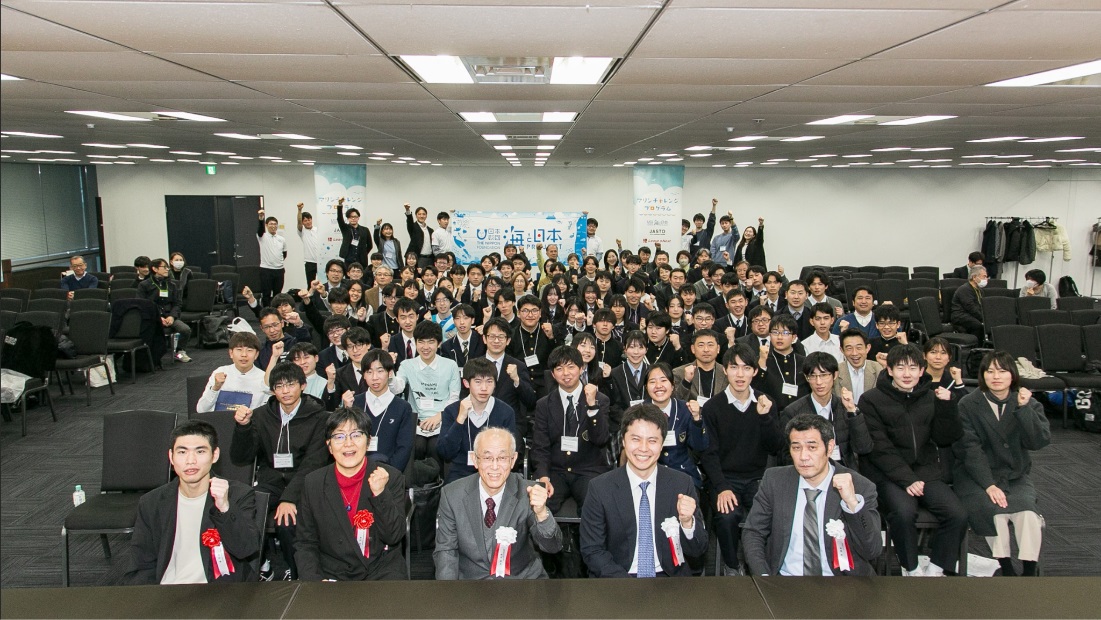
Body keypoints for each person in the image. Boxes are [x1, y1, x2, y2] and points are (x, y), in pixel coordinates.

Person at [859, 344, 967, 576]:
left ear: (921, 371)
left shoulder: (930, 396)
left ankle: (936, 568)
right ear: (889, 370)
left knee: (957, 514)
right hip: (889, 475)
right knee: (904, 513)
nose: (906, 374)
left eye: (912, 368)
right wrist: (907, 479)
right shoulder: (870, 400)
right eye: (900, 368)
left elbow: (945, 438)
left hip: (925, 472)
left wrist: (947, 406)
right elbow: (879, 448)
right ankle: (911, 568)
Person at [741, 414, 881, 576]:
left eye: (812, 447)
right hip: (785, 580)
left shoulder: (860, 486)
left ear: (829, 447)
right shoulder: (775, 481)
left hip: (842, 582)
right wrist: (764, 577)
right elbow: (753, 532)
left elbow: (872, 550)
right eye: (796, 448)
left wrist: (852, 503)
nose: (803, 456)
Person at [580, 403, 708, 577]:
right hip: (618, 579)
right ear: (623, 441)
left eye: (652, 441)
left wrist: (688, 523)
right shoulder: (600, 488)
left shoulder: (681, 484)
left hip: (669, 580)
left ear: (662, 444)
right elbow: (592, 550)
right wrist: (629, 586)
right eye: (636, 439)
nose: (643, 448)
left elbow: (698, 550)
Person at [126, 420, 260, 584]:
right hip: (168, 589)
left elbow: (246, 549)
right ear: (171, 457)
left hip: (218, 590)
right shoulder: (152, 502)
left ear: (215, 455)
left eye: (200, 451)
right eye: (182, 452)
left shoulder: (238, 494)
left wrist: (225, 508)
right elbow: (141, 563)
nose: (191, 460)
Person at [953, 350, 1050, 577]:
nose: (996, 376)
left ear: (1012, 375)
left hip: (1014, 475)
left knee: (1027, 512)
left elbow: (1038, 441)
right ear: (982, 375)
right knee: (993, 511)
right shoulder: (968, 404)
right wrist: (989, 485)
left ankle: (1029, 569)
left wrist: (1024, 409)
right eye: (990, 371)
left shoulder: (1027, 402)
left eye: (1002, 371)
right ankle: (1005, 567)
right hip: (976, 477)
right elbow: (970, 450)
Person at [232, 362, 330, 581]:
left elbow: (314, 463)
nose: (285, 391)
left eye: (291, 384)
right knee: (244, 509)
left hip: (304, 483)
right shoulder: (261, 415)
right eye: (279, 386)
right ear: (272, 390)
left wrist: (289, 498)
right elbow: (241, 457)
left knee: (286, 522)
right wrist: (243, 428)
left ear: (303, 385)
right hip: (271, 480)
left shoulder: (319, 418)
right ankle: (260, 565)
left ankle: (295, 572)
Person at [295, 407, 407, 581]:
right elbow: (305, 542)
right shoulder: (313, 482)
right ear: (329, 446)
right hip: (333, 573)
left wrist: (380, 494)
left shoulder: (390, 477)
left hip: (379, 570)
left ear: (368, 441)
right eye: (339, 436)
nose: (348, 443)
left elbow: (393, 537)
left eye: (356, 435)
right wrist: (315, 581)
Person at [435, 427, 563, 579]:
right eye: (487, 458)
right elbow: (446, 552)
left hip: (521, 581)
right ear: (475, 460)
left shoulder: (528, 492)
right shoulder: (452, 495)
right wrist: (448, 591)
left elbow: (552, 547)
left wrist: (542, 513)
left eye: (502, 458)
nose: (495, 466)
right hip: (472, 584)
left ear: (513, 460)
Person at [699, 344, 783, 575]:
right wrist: (722, 487)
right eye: (734, 367)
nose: (740, 374)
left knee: (772, 515)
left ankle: (763, 567)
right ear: (725, 370)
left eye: (746, 368)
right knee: (728, 517)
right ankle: (732, 566)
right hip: (725, 479)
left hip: (758, 478)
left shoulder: (766, 403)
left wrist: (765, 418)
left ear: (754, 371)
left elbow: (775, 447)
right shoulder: (713, 407)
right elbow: (708, 454)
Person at [531, 346, 611, 514]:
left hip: (588, 470)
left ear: (581, 369)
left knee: (593, 508)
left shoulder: (599, 400)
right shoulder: (544, 405)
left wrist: (592, 407)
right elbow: (540, 446)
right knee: (539, 507)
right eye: (559, 369)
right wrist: (543, 476)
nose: (565, 373)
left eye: (571, 367)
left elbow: (601, 439)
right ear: (553, 374)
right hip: (556, 471)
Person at [779, 352, 871, 469]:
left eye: (824, 375)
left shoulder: (846, 407)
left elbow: (863, 448)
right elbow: (786, 456)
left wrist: (852, 412)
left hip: (844, 470)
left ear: (835, 375)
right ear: (806, 378)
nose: (819, 382)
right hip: (810, 471)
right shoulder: (793, 412)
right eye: (813, 376)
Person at [437, 358, 519, 484]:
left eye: (489, 381)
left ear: (495, 384)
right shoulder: (451, 411)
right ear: (466, 383)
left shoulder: (506, 412)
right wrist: (460, 419)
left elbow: (510, 452)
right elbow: (445, 453)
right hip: (461, 473)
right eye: (478, 382)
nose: (484, 388)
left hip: (495, 472)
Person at [393, 320, 461, 465]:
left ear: (439, 343)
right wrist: (389, 373)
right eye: (421, 342)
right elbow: (397, 388)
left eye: (430, 342)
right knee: (416, 446)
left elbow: (454, 397)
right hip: (416, 421)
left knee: (436, 447)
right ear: (415, 343)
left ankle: (438, 480)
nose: (425, 347)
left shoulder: (450, 365)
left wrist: (440, 416)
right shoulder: (407, 365)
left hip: (442, 419)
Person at [343, 349, 414, 472]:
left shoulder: (403, 407)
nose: (374, 377)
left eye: (380, 371)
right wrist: (347, 411)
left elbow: (404, 448)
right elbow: (344, 440)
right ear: (364, 375)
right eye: (369, 372)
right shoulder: (354, 403)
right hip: (356, 470)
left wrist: (389, 473)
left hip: (390, 471)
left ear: (390, 373)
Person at [643, 364, 708, 487]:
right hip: (650, 475)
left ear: (672, 385)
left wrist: (696, 418)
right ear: (646, 387)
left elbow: (700, 446)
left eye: (663, 380)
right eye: (652, 382)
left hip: (683, 473)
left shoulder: (685, 409)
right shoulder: (639, 413)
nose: (658, 386)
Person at [481, 317, 537, 435]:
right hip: (480, 422)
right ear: (484, 339)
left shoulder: (518, 366)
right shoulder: (474, 365)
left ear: (508, 340)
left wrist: (517, 380)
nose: (496, 341)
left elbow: (531, 401)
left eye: (501, 337)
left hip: (510, 424)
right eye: (492, 336)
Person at [196, 333, 269, 413]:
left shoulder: (264, 378)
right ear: (231, 353)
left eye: (249, 350)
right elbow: (201, 410)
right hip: (219, 419)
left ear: (256, 354)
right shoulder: (220, 372)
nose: (244, 355)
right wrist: (215, 388)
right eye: (239, 350)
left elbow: (265, 412)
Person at [138, 258, 192, 363]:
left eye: (167, 267)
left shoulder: (171, 285)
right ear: (155, 269)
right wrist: (158, 317)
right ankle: (153, 357)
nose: (167, 269)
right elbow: (142, 305)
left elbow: (177, 304)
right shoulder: (144, 285)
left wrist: (172, 316)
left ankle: (180, 352)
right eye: (164, 267)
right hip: (153, 317)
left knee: (185, 330)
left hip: (169, 315)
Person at [753, 314, 808, 411]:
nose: (779, 337)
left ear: (794, 337)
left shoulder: (804, 362)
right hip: (772, 414)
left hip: (801, 414)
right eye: (775, 332)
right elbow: (755, 389)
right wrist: (762, 363)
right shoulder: (762, 360)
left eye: (785, 333)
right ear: (770, 335)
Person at [673, 330, 728, 407]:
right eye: (701, 345)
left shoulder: (727, 372)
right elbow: (675, 401)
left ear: (718, 348)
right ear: (693, 349)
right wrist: (686, 381)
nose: (706, 350)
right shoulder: (679, 372)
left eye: (710, 345)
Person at [835, 328, 882, 405]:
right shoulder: (835, 372)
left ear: (867, 348)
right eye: (849, 348)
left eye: (859, 348)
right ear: (842, 350)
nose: (854, 353)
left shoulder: (879, 369)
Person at [256, 207, 287, 307]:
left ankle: (277, 311)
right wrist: (261, 218)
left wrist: (277, 262)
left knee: (278, 294)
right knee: (266, 294)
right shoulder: (262, 236)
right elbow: (260, 230)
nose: (273, 226)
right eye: (270, 224)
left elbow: (284, 254)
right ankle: (266, 312)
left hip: (279, 270)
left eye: (275, 224)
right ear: (266, 225)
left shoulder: (281, 239)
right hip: (266, 269)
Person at [440, 304, 485, 369]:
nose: (461, 322)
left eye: (465, 318)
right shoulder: (447, 346)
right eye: (457, 318)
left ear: (472, 320)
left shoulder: (482, 341)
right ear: (453, 321)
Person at [334, 198, 373, 271]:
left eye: (355, 217)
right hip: (348, 259)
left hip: (361, 260)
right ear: (348, 218)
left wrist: (363, 253)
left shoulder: (365, 230)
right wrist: (340, 205)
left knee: (362, 276)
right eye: (350, 217)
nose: (353, 219)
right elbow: (340, 219)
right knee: (348, 276)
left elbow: (370, 245)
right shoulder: (345, 228)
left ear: (358, 218)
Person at [951, 265, 987, 342]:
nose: (986, 279)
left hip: (972, 315)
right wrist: (983, 319)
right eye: (984, 277)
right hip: (960, 315)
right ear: (974, 277)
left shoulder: (980, 290)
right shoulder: (964, 289)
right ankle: (976, 346)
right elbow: (971, 307)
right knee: (978, 325)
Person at [296, 202, 323, 283]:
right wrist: (299, 210)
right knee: (310, 284)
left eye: (309, 220)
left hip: (321, 261)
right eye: (305, 221)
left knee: (323, 283)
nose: (308, 222)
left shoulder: (318, 229)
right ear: (303, 222)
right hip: (309, 262)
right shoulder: (302, 231)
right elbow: (299, 222)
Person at [404, 203, 435, 269]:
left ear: (426, 216)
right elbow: (409, 221)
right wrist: (407, 210)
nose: (421, 216)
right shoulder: (413, 227)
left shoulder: (430, 230)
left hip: (430, 258)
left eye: (424, 214)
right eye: (419, 214)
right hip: (418, 258)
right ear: (416, 215)